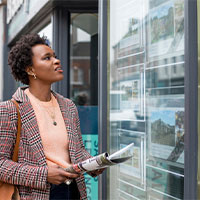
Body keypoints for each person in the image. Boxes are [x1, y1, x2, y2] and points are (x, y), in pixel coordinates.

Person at [0, 34, 102, 200]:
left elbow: (77, 150)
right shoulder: (9, 110)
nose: (56, 61)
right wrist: (44, 174)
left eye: (55, 56)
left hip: (74, 190)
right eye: (47, 58)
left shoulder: (68, 106)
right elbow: (1, 165)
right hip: (38, 193)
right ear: (30, 69)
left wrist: (93, 163)